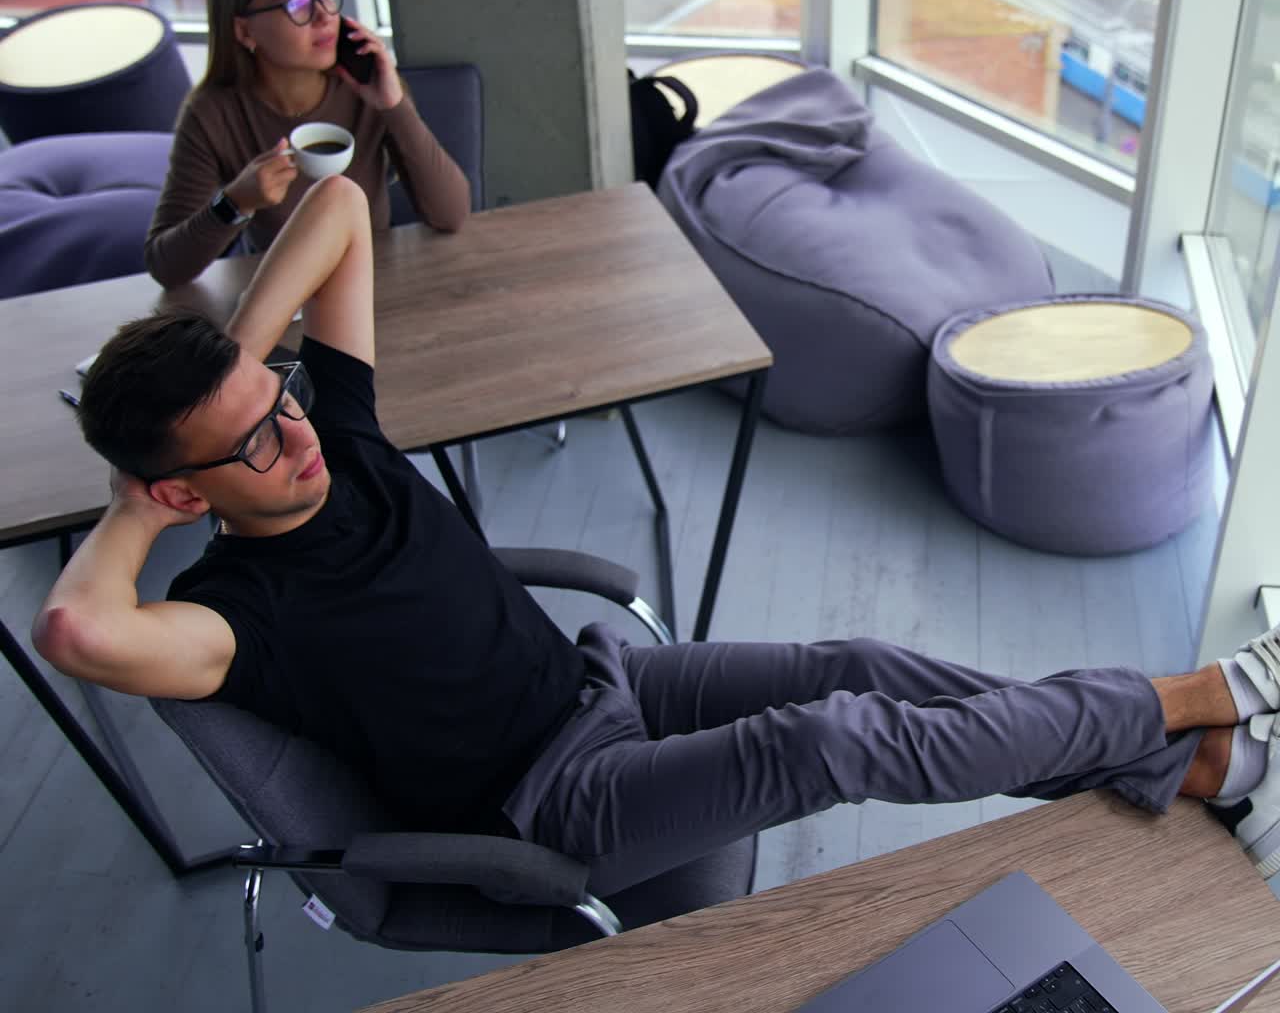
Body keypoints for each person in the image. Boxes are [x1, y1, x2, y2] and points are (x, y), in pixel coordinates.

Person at [32, 176, 1280, 895]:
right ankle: (1201, 695)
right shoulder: (231, 618)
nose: (294, 438)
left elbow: (345, 201)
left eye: (284, 400)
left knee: (859, 662)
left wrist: (238, 376)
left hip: (600, 676)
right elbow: (74, 625)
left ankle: (1199, 768)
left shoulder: (331, 427)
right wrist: (139, 494)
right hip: (557, 795)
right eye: (251, 444)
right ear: (184, 496)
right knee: (837, 737)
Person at [144, 0, 471, 289]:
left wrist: (394, 106)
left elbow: (451, 215)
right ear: (244, 30)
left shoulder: (366, 88)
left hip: (375, 288)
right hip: (282, 300)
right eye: (297, 5)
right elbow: (166, 266)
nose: (324, 16)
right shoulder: (211, 114)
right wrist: (237, 202)